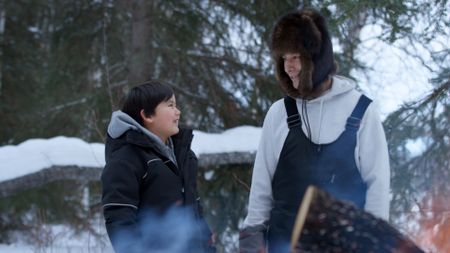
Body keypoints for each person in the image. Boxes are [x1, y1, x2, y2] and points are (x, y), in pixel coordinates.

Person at [239, 9, 390, 252]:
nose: (288, 67)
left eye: (296, 57)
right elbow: (262, 183)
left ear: (316, 59)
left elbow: (378, 186)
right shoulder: (279, 113)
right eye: (283, 58)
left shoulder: (361, 111)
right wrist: (253, 233)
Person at [101, 80, 215, 253]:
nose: (178, 112)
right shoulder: (126, 159)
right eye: (170, 106)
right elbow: (119, 217)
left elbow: (195, 210)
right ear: (147, 115)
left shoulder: (183, 155)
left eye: (176, 105)